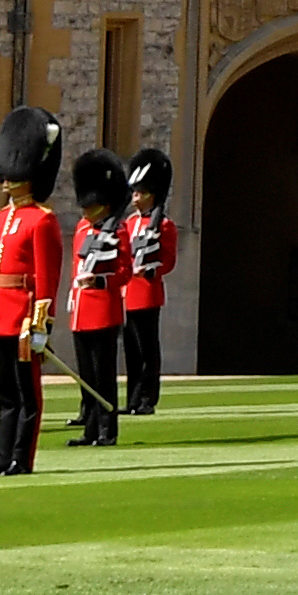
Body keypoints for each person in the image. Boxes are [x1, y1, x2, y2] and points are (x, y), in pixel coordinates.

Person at [0, 107, 61, 476]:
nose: (6, 180)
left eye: (14, 173)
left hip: (24, 318)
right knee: (6, 395)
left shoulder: (42, 220)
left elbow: (47, 277)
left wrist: (40, 325)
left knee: (28, 397)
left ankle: (22, 459)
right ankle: (2, 455)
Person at [64, 148, 132, 448]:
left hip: (104, 310)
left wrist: (99, 280)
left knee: (103, 376)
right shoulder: (82, 228)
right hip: (81, 309)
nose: (85, 211)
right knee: (86, 377)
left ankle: (108, 430)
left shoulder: (118, 231)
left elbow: (124, 272)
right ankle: (90, 428)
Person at [119, 148, 176, 415]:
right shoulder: (129, 224)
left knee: (147, 349)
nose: (134, 198)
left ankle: (147, 399)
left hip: (148, 292)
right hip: (129, 292)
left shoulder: (164, 225)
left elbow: (168, 260)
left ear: (151, 194)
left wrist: (151, 268)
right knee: (131, 350)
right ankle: (132, 398)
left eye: (139, 193)